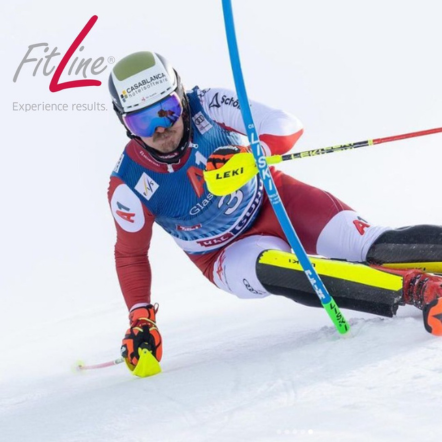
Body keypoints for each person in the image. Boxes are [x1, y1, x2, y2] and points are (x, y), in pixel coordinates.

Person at [107, 51, 442, 370]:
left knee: (368, 244)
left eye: (166, 110)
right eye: (141, 121)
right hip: (225, 253)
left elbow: (285, 123)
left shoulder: (207, 104)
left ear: (181, 97)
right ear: (124, 124)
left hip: (274, 199)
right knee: (283, 268)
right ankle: (419, 289)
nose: (160, 129)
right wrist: (141, 318)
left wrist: (253, 155)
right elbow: (130, 255)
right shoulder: (128, 184)